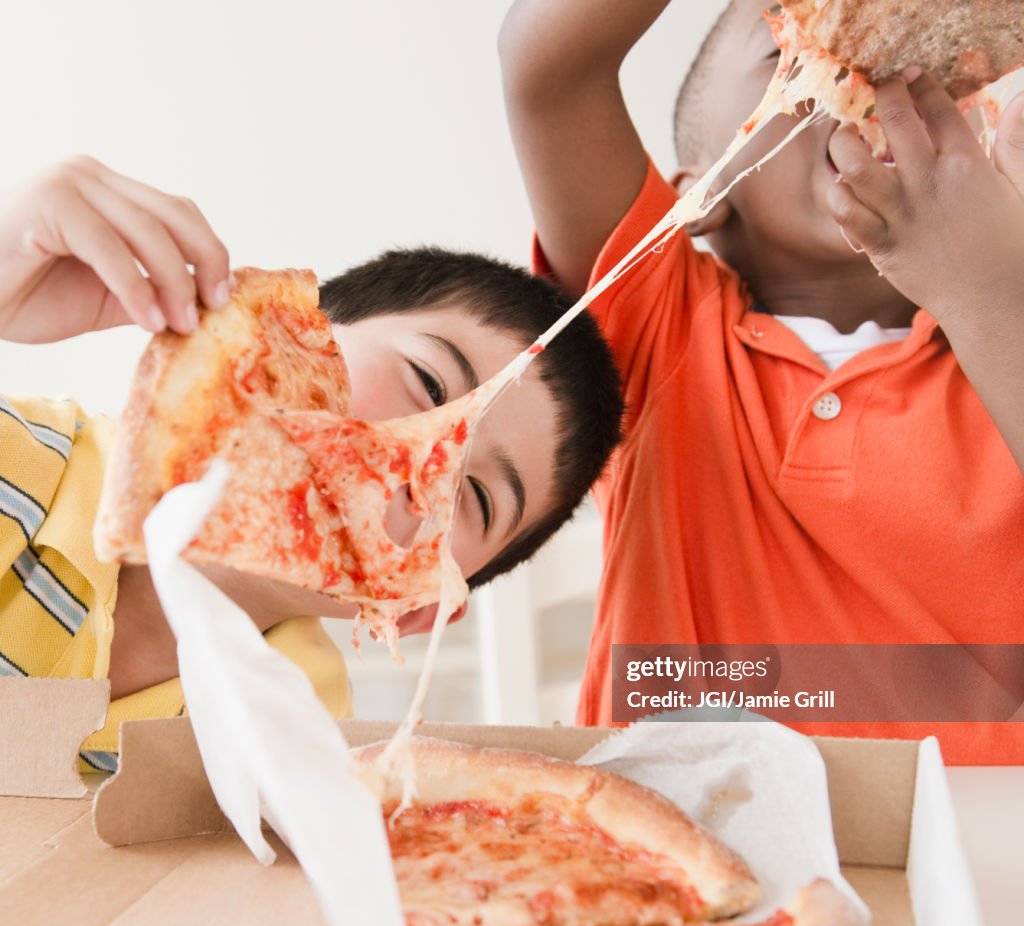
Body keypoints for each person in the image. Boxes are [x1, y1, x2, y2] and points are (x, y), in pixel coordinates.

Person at [499, 0, 1024, 762]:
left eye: (914, 70)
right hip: (679, 838)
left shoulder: (1000, 343)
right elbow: (547, 68)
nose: (870, 83)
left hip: (972, 856)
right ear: (698, 199)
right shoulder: (655, 328)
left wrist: (983, 283)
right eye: (794, 46)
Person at [0, 155, 623, 769]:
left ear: (417, 610)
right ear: (288, 335)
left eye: (476, 498)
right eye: (429, 385)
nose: (421, 464)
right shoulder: (23, 460)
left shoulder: (308, 740)